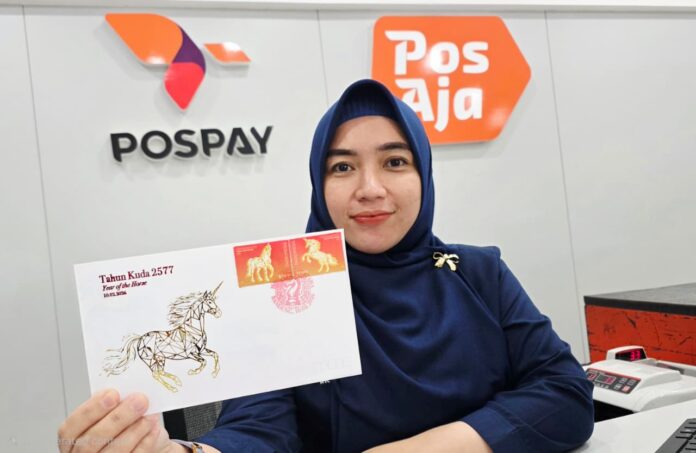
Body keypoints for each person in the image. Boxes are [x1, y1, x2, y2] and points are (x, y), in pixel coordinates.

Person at [58, 79, 594, 452]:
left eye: (395, 161)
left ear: (424, 175)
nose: (370, 188)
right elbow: (259, 431)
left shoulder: (479, 274)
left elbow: (566, 391)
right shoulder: (287, 288)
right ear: (319, 183)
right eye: (342, 167)